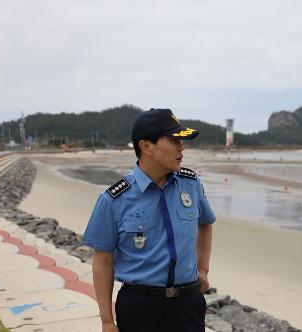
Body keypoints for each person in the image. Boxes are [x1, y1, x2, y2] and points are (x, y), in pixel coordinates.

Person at [82, 108, 216, 332]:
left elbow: (206, 223)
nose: (181, 147)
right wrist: (107, 320)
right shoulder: (114, 199)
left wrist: (203, 269)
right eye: (174, 140)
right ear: (146, 146)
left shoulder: (190, 185)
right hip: (140, 307)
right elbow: (103, 262)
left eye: (181, 141)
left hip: (187, 304)